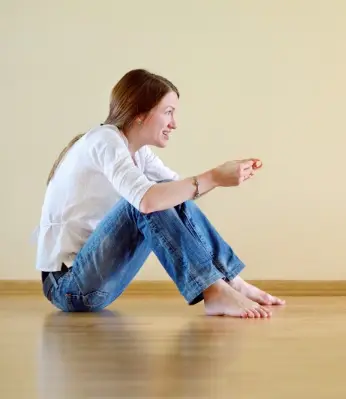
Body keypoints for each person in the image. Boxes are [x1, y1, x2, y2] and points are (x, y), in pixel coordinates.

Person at [34, 68, 284, 318]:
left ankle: (230, 281)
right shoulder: (103, 139)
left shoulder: (138, 152)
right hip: (68, 287)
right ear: (140, 114)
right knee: (145, 202)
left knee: (167, 193)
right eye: (168, 112)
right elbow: (147, 201)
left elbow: (182, 192)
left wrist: (222, 176)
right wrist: (214, 177)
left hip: (93, 281)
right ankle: (214, 290)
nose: (174, 124)